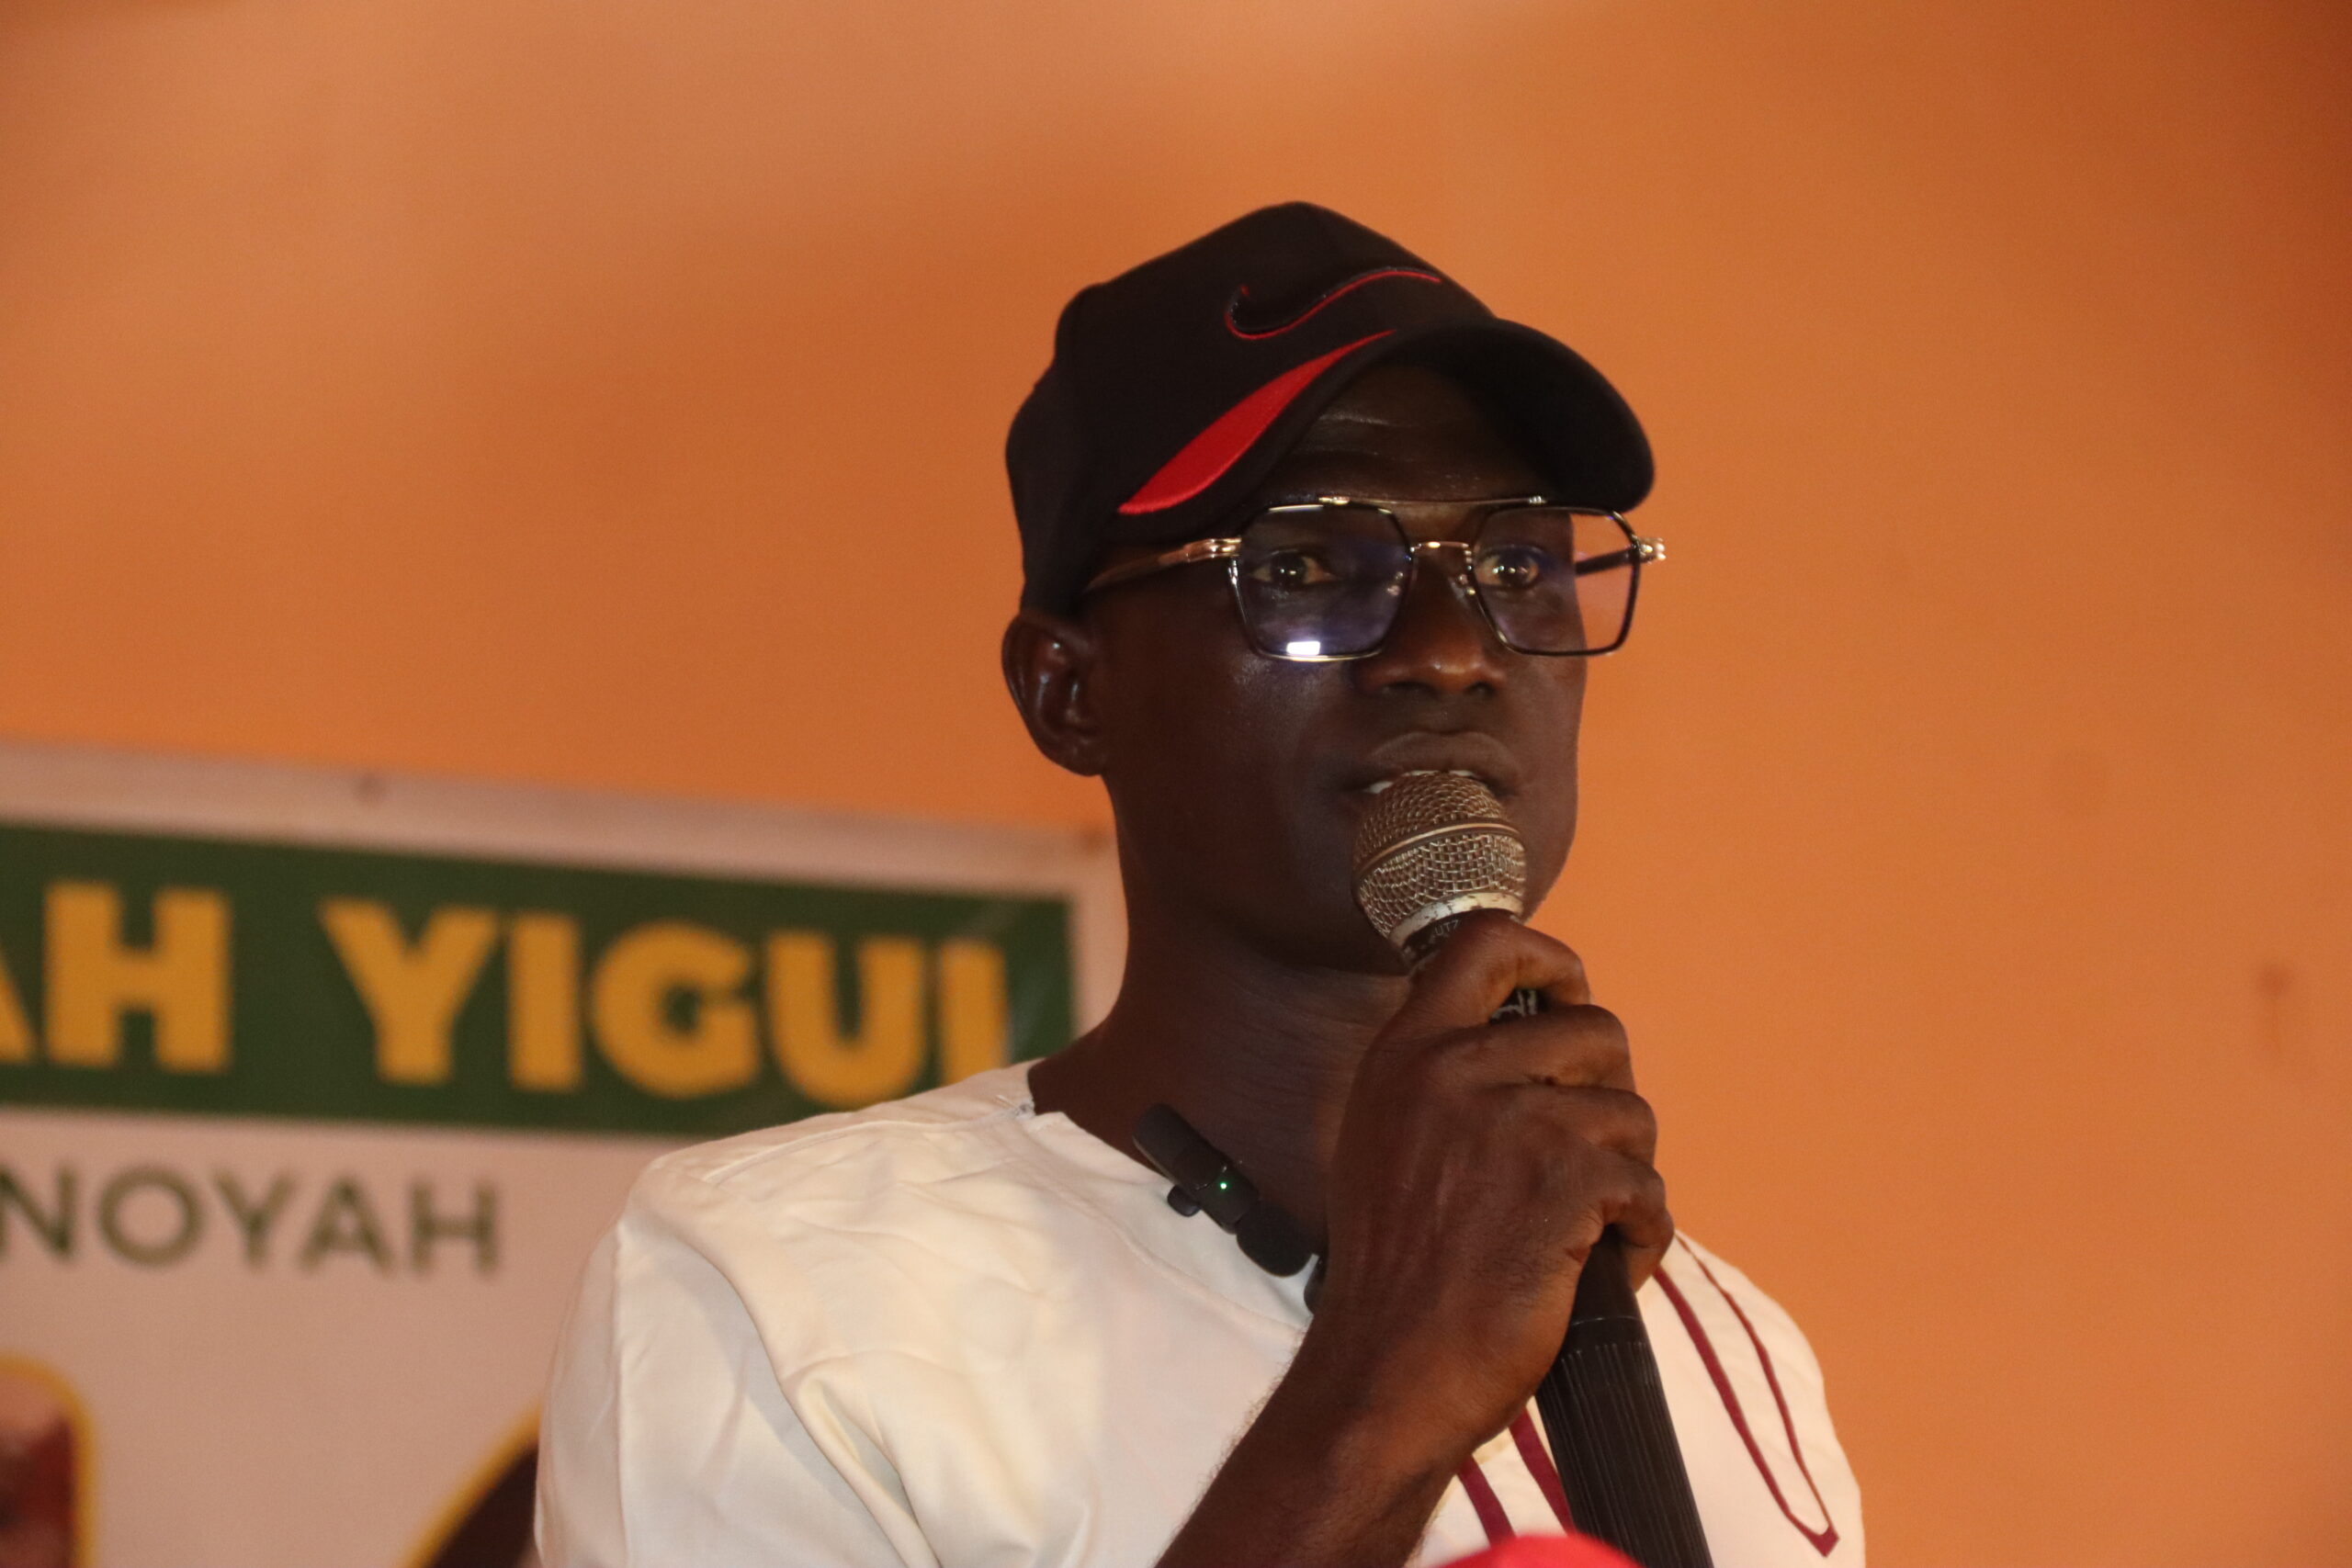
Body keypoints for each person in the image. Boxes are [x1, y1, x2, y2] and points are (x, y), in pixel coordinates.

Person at [536, 203, 1864, 1568]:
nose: (1453, 651)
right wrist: (1386, 1383)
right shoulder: (776, 1291)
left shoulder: (1733, 1344)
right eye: (1306, 566)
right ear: (1071, 691)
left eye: (1516, 567)